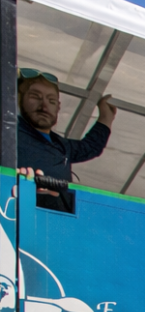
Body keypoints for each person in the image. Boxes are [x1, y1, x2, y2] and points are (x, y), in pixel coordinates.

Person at [15, 70, 116, 212]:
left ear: (58, 107)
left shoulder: (62, 145)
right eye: (35, 97)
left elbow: (90, 147)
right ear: (18, 98)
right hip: (16, 217)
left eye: (51, 101)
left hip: (56, 221)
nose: (44, 107)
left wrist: (106, 117)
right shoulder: (9, 133)